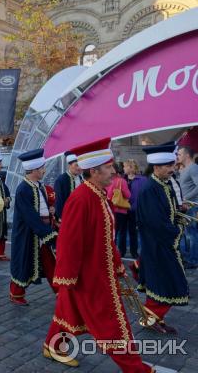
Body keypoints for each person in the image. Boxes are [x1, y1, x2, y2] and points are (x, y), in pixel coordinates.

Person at [43, 137, 153, 372]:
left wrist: (117, 264)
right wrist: (67, 279)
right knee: (112, 324)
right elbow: (69, 242)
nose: (114, 172)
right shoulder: (82, 198)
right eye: (109, 167)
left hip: (97, 272)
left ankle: (53, 346)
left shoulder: (98, 193)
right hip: (89, 277)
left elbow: (104, 238)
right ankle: (135, 368)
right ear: (93, 171)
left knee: (67, 312)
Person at [136, 142, 189, 334]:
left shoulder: (162, 185)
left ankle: (155, 318)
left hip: (162, 244)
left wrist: (180, 216)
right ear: (156, 167)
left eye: (172, 164)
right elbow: (156, 223)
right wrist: (177, 231)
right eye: (168, 165)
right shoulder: (150, 189)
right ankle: (151, 318)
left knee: (162, 284)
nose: (172, 168)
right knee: (166, 283)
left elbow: (168, 213)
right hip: (158, 245)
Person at [10, 149, 58, 306]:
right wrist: (50, 235)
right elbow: (30, 216)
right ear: (35, 169)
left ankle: (61, 292)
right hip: (28, 234)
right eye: (42, 168)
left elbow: (42, 207)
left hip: (42, 233)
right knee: (24, 263)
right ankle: (16, 294)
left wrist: (51, 214)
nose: (44, 170)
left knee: (51, 263)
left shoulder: (40, 186)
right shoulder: (23, 189)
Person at [177, 145, 198, 268]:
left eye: (179, 154)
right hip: (186, 206)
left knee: (192, 234)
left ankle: (193, 260)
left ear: (187, 155)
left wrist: (185, 198)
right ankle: (189, 258)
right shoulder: (185, 169)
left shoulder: (193, 168)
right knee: (188, 234)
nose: (178, 156)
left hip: (192, 206)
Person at [106, 162, 132, 258]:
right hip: (121, 210)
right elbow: (128, 195)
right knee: (122, 232)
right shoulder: (122, 181)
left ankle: (110, 251)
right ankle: (121, 252)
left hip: (110, 210)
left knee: (112, 232)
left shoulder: (106, 181)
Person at [124, 159, 147, 260]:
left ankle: (134, 252)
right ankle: (121, 251)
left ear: (131, 168)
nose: (124, 168)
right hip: (123, 209)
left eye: (125, 166)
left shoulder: (142, 180)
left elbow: (145, 195)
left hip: (135, 209)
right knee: (122, 231)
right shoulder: (122, 179)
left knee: (134, 232)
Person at [53, 151, 82, 221]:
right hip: (68, 216)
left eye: (80, 165)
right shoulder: (61, 180)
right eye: (76, 165)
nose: (79, 168)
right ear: (69, 165)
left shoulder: (81, 178)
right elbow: (59, 202)